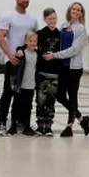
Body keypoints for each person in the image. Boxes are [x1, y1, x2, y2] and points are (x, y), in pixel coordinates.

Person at [0, 0, 38, 136]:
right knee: (8, 93)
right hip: (13, 62)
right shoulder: (7, 16)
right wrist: (10, 55)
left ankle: (21, 122)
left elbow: (34, 40)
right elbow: (1, 37)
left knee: (24, 95)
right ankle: (2, 123)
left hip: (27, 63)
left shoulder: (32, 20)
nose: (26, 0)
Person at [48, 1, 89, 137]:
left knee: (72, 96)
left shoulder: (81, 29)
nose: (76, 11)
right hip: (63, 67)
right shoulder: (63, 26)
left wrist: (55, 55)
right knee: (60, 95)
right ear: (70, 10)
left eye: (79, 10)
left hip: (74, 68)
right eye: (74, 9)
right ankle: (82, 119)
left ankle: (69, 126)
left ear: (81, 13)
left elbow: (74, 49)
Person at [34, 8, 62, 136]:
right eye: (50, 18)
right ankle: (40, 125)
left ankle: (48, 125)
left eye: (54, 18)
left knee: (51, 99)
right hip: (41, 72)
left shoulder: (60, 35)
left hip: (55, 72)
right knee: (41, 99)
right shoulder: (39, 34)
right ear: (45, 19)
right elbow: (31, 47)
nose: (53, 21)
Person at [6, 30, 39, 136]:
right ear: (26, 41)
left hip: (31, 86)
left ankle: (27, 126)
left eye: (35, 41)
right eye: (30, 41)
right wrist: (13, 82)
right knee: (16, 106)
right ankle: (13, 127)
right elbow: (14, 69)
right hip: (21, 86)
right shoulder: (21, 53)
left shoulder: (37, 54)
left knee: (28, 107)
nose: (33, 43)